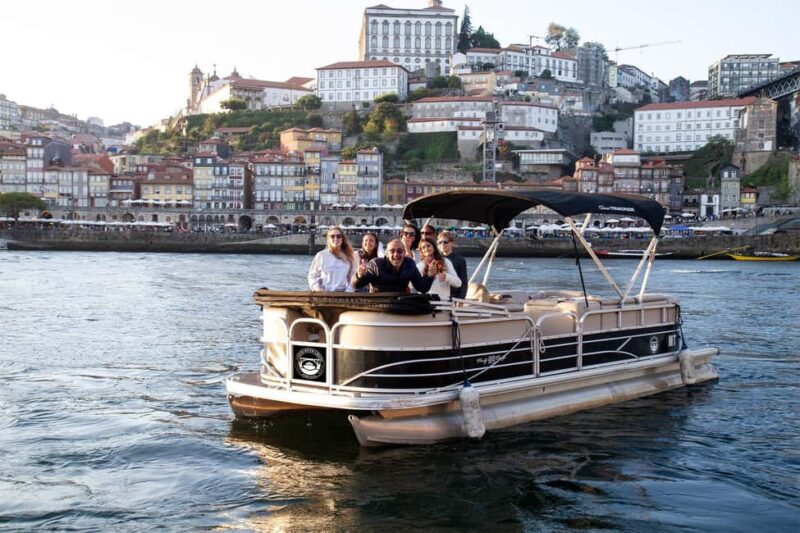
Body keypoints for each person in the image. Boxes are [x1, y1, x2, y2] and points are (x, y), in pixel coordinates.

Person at [352, 238, 435, 294]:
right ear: (387, 254)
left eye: (399, 251)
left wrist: (430, 275)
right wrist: (359, 276)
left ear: (404, 253)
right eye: (392, 251)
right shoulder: (376, 264)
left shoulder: (409, 264)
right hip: (378, 303)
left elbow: (422, 288)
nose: (396, 254)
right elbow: (356, 285)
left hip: (399, 305)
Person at [307, 226, 357, 291]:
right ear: (328, 239)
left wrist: (348, 292)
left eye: (338, 236)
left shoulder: (349, 256)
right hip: (324, 294)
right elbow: (312, 275)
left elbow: (352, 278)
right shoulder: (321, 255)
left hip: (342, 294)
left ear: (342, 239)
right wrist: (317, 289)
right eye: (332, 236)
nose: (335, 238)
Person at [438, 230, 468, 299]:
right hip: (441, 293)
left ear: (452, 243)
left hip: (454, 295)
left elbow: (464, 281)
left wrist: (461, 298)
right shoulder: (436, 258)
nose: (442, 244)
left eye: (445, 242)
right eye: (440, 242)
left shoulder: (460, 259)